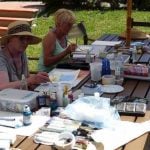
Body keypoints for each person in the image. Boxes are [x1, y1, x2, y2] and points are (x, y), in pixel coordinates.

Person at [0, 20, 50, 90]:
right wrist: (30, 80)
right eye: (21, 38)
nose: (25, 42)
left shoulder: (21, 52)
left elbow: (26, 79)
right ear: (10, 39)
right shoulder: (1, 57)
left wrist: (37, 82)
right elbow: (2, 87)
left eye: (28, 39)